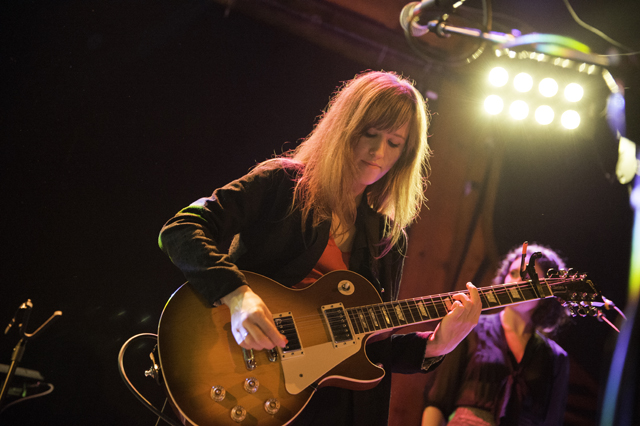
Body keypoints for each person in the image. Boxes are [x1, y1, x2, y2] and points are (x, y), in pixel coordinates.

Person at [158, 70, 482, 426]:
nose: (378, 152)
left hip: (326, 410)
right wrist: (237, 295)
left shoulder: (387, 238)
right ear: (345, 128)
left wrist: (436, 344)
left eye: (394, 143)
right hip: (242, 372)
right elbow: (181, 229)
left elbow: (370, 347)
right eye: (370, 134)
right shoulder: (282, 184)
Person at [422, 243, 571, 426]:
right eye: (513, 273)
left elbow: (552, 421)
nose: (517, 282)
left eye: (528, 277)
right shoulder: (470, 329)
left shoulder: (556, 357)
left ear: (546, 292)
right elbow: (437, 400)